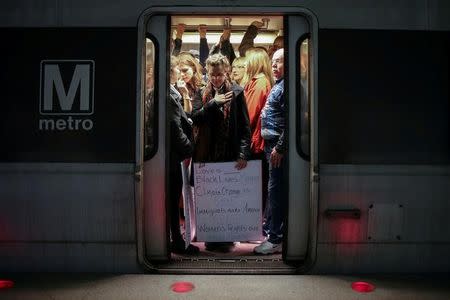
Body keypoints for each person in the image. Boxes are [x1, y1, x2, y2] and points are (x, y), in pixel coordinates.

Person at [190, 53, 251, 251]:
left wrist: (243, 154)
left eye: (220, 74)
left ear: (226, 73)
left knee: (229, 198)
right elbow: (195, 118)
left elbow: (244, 127)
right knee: (209, 198)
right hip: (206, 153)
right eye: (212, 74)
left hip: (228, 151)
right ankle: (211, 235)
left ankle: (227, 235)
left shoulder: (237, 92)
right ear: (208, 72)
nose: (216, 78)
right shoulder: (201, 92)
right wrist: (213, 103)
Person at [254, 48, 286, 254]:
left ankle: (275, 238)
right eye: (272, 62)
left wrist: (280, 147)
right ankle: (270, 232)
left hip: (277, 147)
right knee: (272, 189)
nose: (274, 65)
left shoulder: (287, 87)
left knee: (276, 192)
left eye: (279, 62)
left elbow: (292, 121)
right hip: (271, 146)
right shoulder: (279, 85)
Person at [167, 56, 199, 255]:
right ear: (171, 71)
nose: (180, 72)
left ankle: (176, 238)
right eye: (177, 69)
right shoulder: (169, 96)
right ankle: (176, 241)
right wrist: (190, 147)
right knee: (172, 197)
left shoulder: (174, 93)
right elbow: (174, 126)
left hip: (175, 155)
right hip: (173, 157)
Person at [243, 47, 273, 156]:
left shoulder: (259, 84)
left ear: (254, 63)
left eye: (247, 61)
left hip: (253, 140)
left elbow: (249, 115)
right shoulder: (259, 82)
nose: (244, 64)